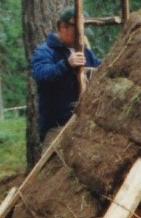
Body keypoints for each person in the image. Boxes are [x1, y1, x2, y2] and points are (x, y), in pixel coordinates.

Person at [31, 8, 100, 145]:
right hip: (57, 127)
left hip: (82, 125)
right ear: (62, 27)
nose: (80, 37)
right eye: (77, 33)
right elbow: (42, 75)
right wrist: (66, 65)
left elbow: (98, 67)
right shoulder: (44, 51)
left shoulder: (84, 51)